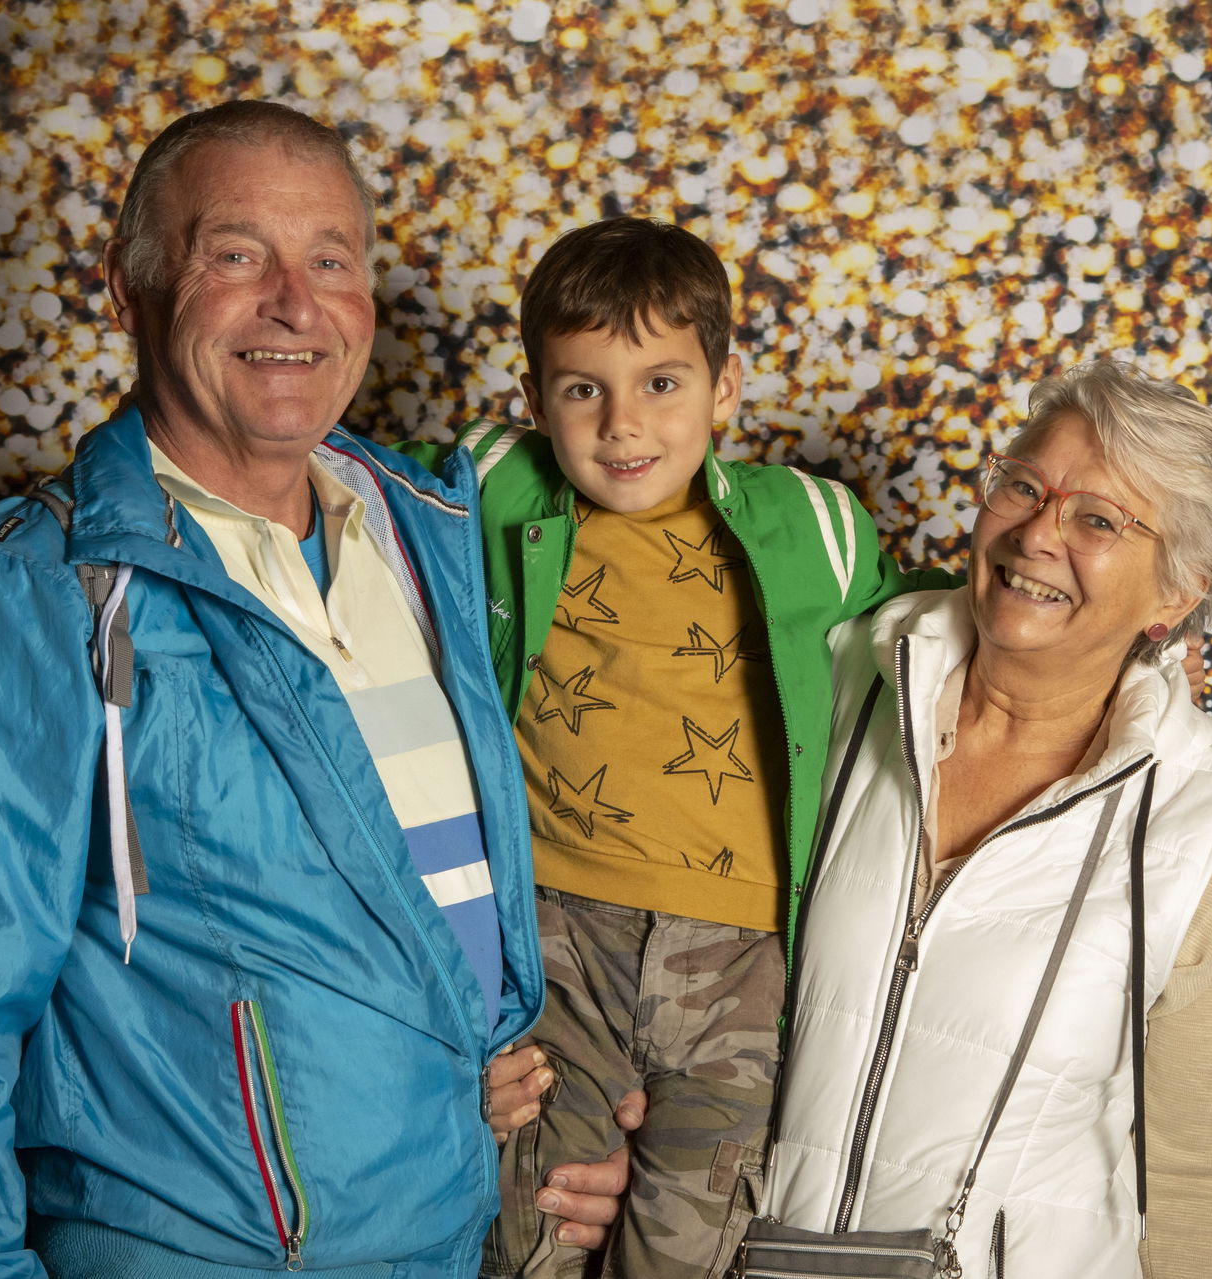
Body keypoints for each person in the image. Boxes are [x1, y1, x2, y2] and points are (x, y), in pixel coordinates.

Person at [0, 101, 544, 1277]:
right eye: (236, 255)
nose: (295, 305)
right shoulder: (30, 591)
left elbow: (430, 905)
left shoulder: (433, 531)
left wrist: (520, 1064)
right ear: (127, 287)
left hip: (454, 1236)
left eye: (331, 260)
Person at [520, 359, 1212, 1278]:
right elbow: (651, 909)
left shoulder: (1210, 833)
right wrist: (628, 1135)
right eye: (1023, 486)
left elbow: (1201, 1168)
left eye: (1098, 519)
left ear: (1176, 592)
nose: (1039, 533)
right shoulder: (827, 681)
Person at [401, 217, 959, 1279]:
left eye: (662, 383)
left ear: (725, 385)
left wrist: (1127, 655)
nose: (622, 424)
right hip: (556, 940)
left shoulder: (813, 527)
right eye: (582, 389)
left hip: (741, 961)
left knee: (691, 1251)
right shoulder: (491, 488)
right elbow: (339, 500)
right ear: (534, 401)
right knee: (530, 1233)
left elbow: (925, 624)